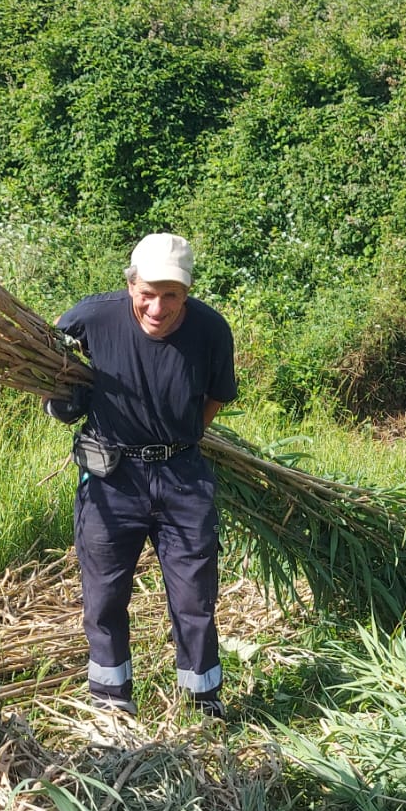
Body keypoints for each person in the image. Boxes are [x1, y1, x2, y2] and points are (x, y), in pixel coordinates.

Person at [46, 233, 237, 718]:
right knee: (104, 596)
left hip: (182, 477)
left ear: (187, 293)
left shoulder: (211, 331)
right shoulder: (92, 317)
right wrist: (63, 401)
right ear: (130, 285)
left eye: (170, 295)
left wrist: (178, 438)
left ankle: (202, 703)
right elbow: (50, 369)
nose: (157, 306)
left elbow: (214, 399)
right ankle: (113, 703)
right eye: (146, 293)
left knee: (195, 598)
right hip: (111, 479)